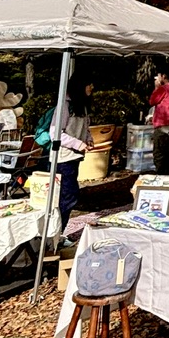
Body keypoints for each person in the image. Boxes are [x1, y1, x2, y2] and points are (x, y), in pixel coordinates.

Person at [55, 72, 94, 230]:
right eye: (89, 84)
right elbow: (56, 134)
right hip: (62, 159)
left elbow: (85, 127)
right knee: (67, 197)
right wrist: (78, 144)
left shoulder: (81, 105)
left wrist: (88, 139)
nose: (92, 87)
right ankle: (55, 235)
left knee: (69, 197)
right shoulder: (64, 105)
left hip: (73, 158)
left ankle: (58, 235)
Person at [150, 70, 169, 174]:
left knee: (159, 154)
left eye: (158, 76)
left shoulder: (164, 88)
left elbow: (152, 101)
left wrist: (156, 87)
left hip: (162, 125)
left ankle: (160, 177)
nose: (156, 78)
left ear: (163, 76)